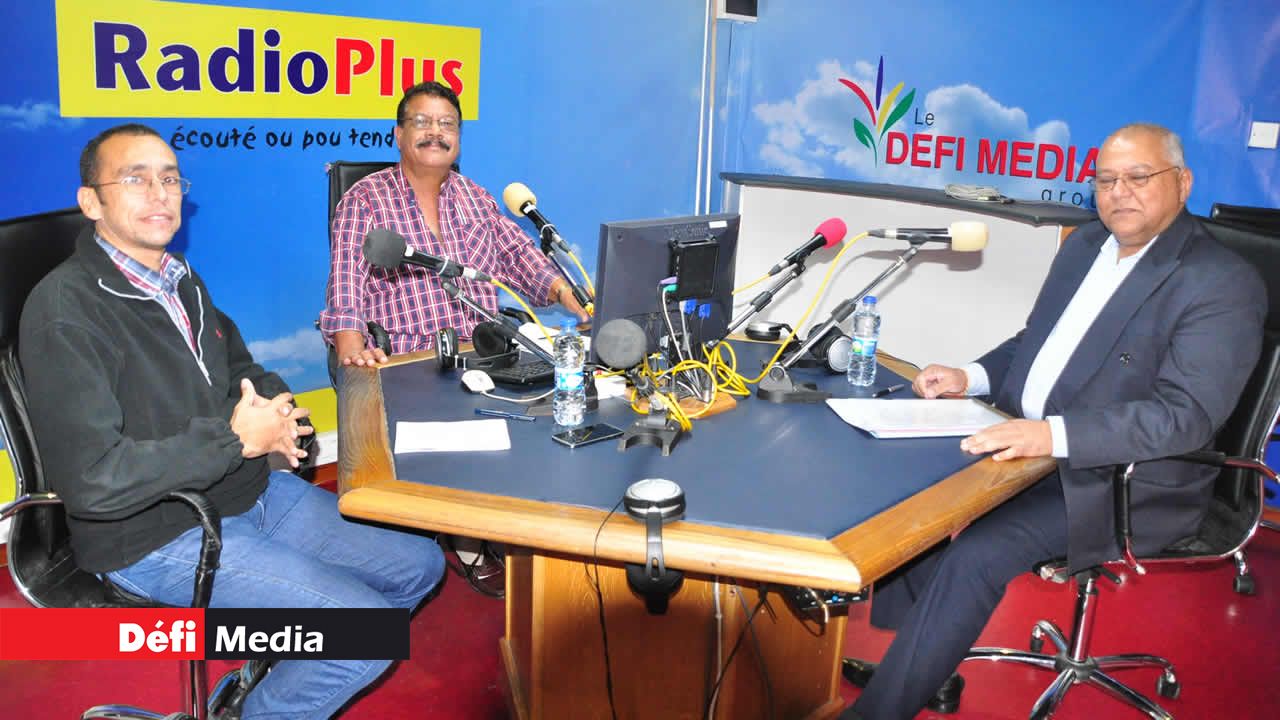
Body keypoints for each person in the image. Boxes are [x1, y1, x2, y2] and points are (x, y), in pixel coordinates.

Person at [19, 123, 446, 720]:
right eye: (136, 179)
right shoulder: (64, 312)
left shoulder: (178, 279)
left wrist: (279, 412)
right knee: (364, 633)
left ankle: (272, 682)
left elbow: (243, 369)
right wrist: (234, 440)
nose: (160, 193)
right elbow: (93, 480)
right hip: (155, 532)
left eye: (170, 179)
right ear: (91, 202)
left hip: (245, 490)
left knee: (421, 566)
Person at [840, 123, 1267, 719]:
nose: (1119, 192)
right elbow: (1035, 342)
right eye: (1106, 180)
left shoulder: (1219, 282)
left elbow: (1185, 418)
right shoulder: (1086, 244)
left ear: (1183, 182)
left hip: (1129, 478)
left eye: (1138, 177)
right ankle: (922, 666)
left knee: (977, 554)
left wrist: (1050, 434)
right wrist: (971, 376)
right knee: (913, 501)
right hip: (1035, 447)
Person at [319, 80, 588, 370]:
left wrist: (564, 292)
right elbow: (346, 289)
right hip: (407, 360)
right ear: (399, 135)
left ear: (458, 138)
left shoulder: (476, 197)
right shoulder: (364, 200)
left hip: (482, 357)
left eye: (447, 124)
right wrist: (353, 358)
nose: (435, 132)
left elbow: (517, 255)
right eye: (422, 122)